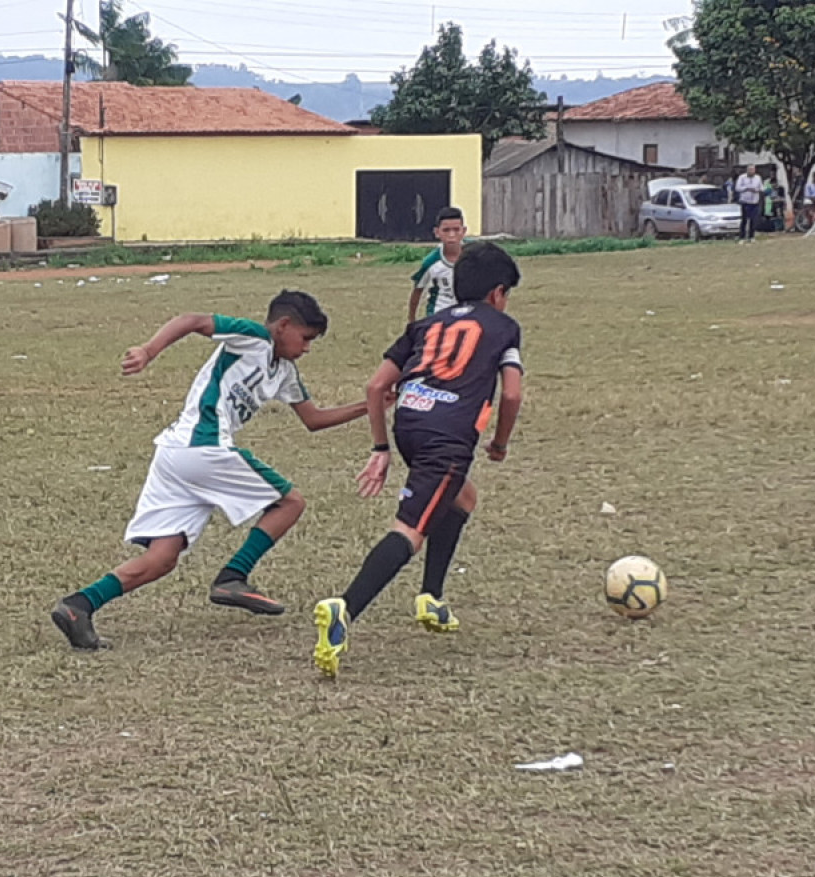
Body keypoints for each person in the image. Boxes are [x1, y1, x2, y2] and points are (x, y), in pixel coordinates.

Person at [50, 291, 370, 651]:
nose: (307, 347)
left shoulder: (285, 372)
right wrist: (148, 350)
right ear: (283, 326)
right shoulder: (254, 338)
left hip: (176, 455)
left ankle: (79, 606)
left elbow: (313, 419)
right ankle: (233, 576)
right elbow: (192, 320)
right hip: (202, 446)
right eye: (306, 338)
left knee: (162, 558)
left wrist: (371, 405)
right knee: (290, 503)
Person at [313, 242, 524, 678]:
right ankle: (344, 609)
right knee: (410, 529)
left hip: (409, 424)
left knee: (461, 497)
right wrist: (500, 444)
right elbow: (513, 392)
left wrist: (380, 448)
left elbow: (376, 388)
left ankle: (431, 596)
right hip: (446, 438)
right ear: (498, 294)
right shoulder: (503, 327)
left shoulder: (425, 325)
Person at [407, 206, 467, 323]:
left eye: (456, 229)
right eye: (446, 230)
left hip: (466, 313)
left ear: (463, 231)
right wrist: (412, 320)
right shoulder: (431, 262)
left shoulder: (475, 255)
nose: (451, 235)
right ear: (437, 232)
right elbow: (418, 290)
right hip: (439, 314)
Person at [734, 164, 764, 242]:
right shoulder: (742, 177)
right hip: (745, 202)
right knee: (744, 220)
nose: (751, 171)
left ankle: (752, 237)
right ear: (747, 170)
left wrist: (756, 190)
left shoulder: (758, 178)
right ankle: (742, 237)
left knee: (753, 220)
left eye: (753, 170)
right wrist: (746, 188)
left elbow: (761, 188)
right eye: (750, 170)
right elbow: (737, 188)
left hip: (754, 201)